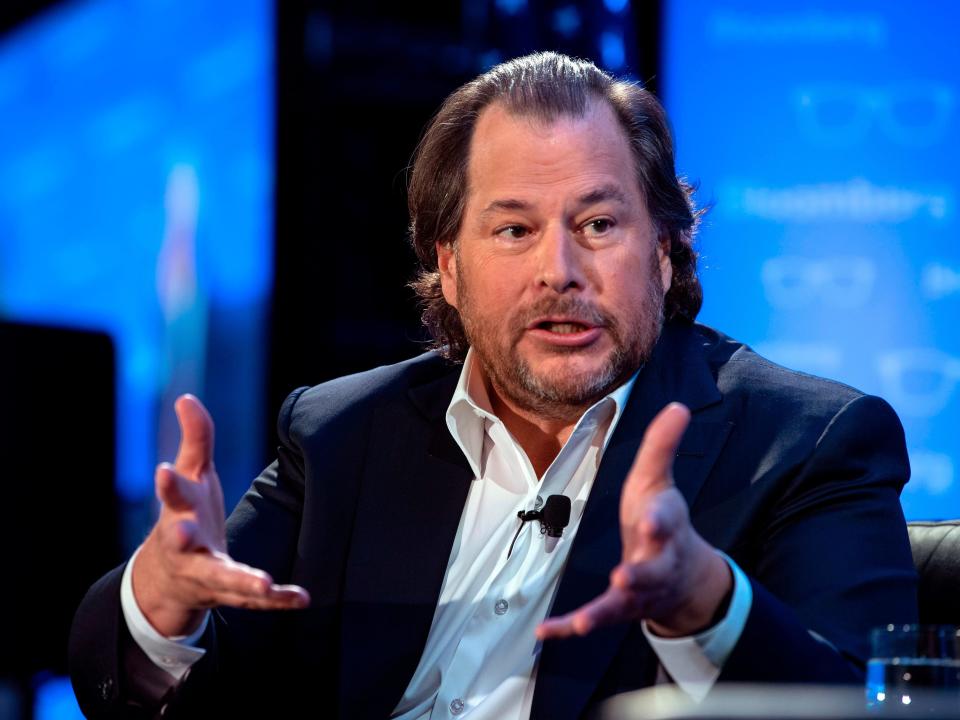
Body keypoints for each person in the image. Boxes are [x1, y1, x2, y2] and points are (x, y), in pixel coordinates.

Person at [69, 52, 918, 719]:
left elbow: (861, 707)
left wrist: (706, 602)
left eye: (598, 224)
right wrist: (161, 601)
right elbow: (136, 685)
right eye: (513, 229)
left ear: (663, 251)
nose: (560, 271)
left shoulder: (810, 441)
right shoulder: (341, 437)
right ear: (449, 264)